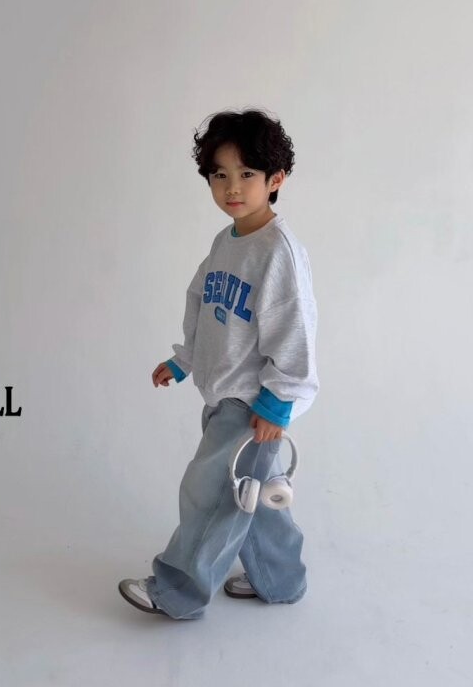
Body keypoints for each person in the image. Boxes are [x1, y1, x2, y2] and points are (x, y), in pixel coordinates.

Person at [118, 108, 319, 620]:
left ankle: (177, 591)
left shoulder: (278, 253)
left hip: (251, 404)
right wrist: (184, 359)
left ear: (276, 179)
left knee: (210, 494)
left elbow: (295, 331)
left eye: (247, 173)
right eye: (219, 174)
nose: (232, 187)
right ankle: (281, 580)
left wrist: (277, 404)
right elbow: (206, 306)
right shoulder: (227, 242)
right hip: (224, 394)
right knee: (254, 497)